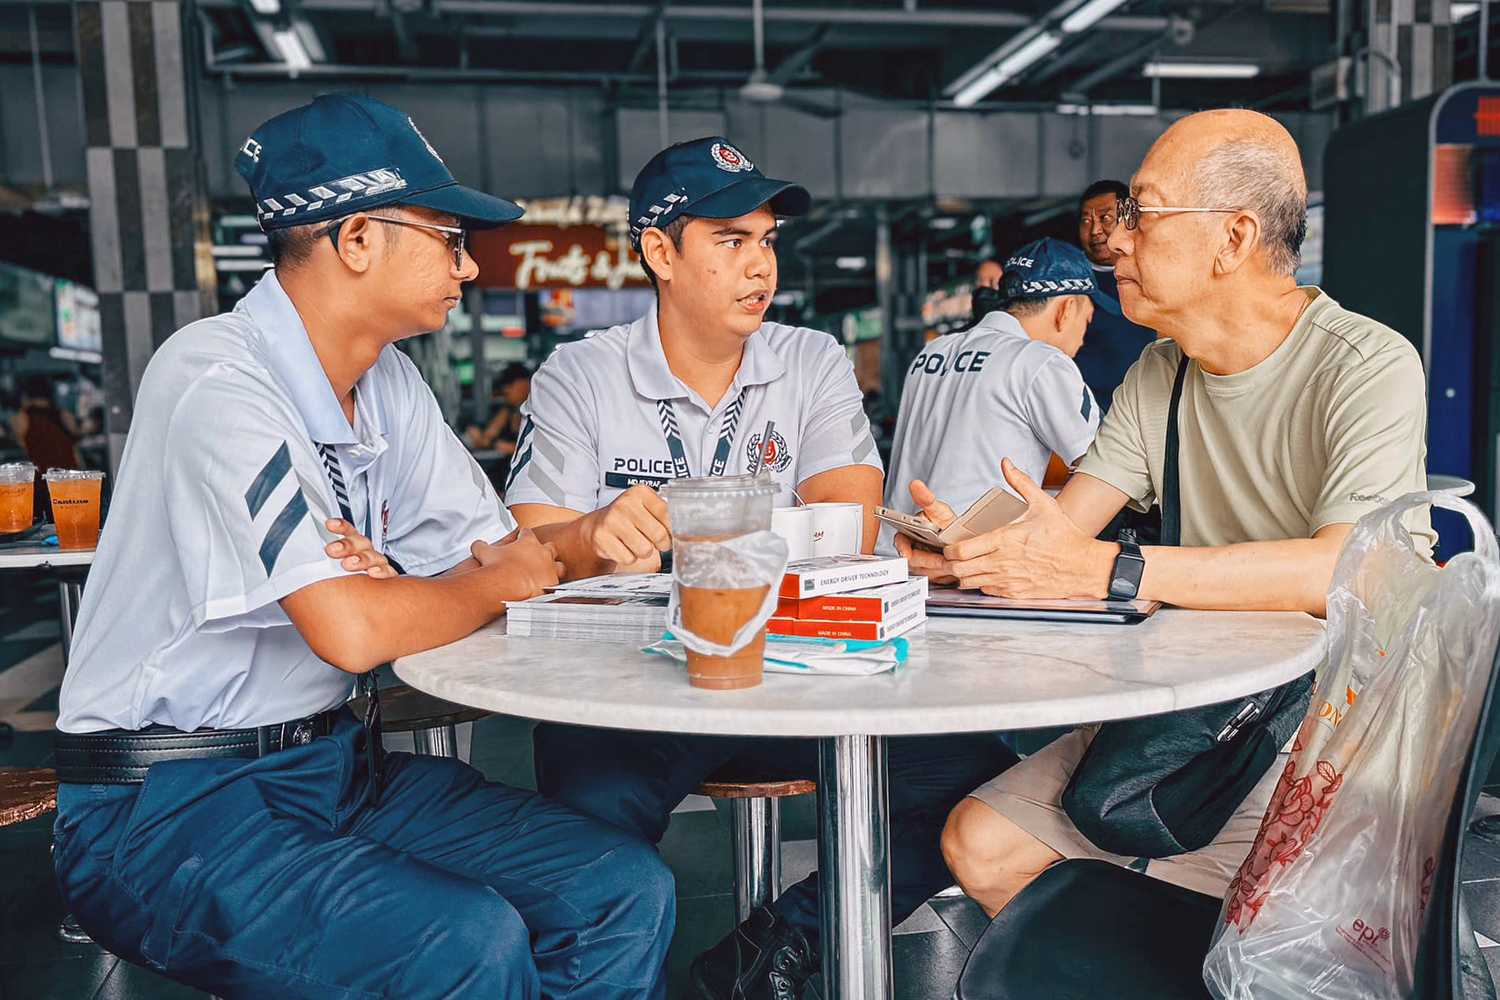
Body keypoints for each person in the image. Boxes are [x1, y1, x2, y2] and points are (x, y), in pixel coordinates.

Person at [51, 94, 674, 999]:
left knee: (618, 888)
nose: (468, 265)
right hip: (166, 803)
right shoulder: (219, 378)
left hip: (331, 766)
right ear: (355, 238)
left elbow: (495, 556)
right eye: (448, 238)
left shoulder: (389, 385)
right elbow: (353, 631)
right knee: (464, 943)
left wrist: (564, 543)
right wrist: (437, 588)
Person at [506, 135, 1017, 1000]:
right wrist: (593, 532)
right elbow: (536, 544)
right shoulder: (582, 375)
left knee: (981, 779)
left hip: (796, 669)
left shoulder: (810, 360)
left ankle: (782, 941)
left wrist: (674, 533)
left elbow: (849, 523)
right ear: (659, 252)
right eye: (731, 240)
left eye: (768, 241)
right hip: (638, 685)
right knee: (590, 834)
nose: (760, 265)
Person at [905, 109, 1435, 916]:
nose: (1114, 242)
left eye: (1142, 215)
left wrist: (1114, 569)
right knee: (981, 843)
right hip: (1203, 703)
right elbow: (1065, 532)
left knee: (1250, 916)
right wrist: (972, 551)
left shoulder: (1366, 365)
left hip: (1330, 723)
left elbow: (1341, 568)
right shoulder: (1160, 372)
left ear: (1233, 238)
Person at [878, 238, 1107, 554]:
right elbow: (1103, 466)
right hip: (969, 560)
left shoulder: (933, 351)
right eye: (1087, 320)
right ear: (1066, 310)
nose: (1083, 338)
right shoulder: (1041, 361)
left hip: (896, 552)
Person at [1070, 179, 1158, 414]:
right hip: (1084, 415)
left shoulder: (1155, 272)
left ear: (1129, 218)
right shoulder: (1067, 277)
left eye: (1105, 218)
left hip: (1144, 408)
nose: (1095, 230)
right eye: (1086, 221)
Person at [465, 362, 532, 454]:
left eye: (510, 384)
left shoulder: (536, 412)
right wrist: (479, 437)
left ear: (525, 383)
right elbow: (488, 437)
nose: (505, 389)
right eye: (504, 385)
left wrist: (513, 449)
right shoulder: (508, 411)